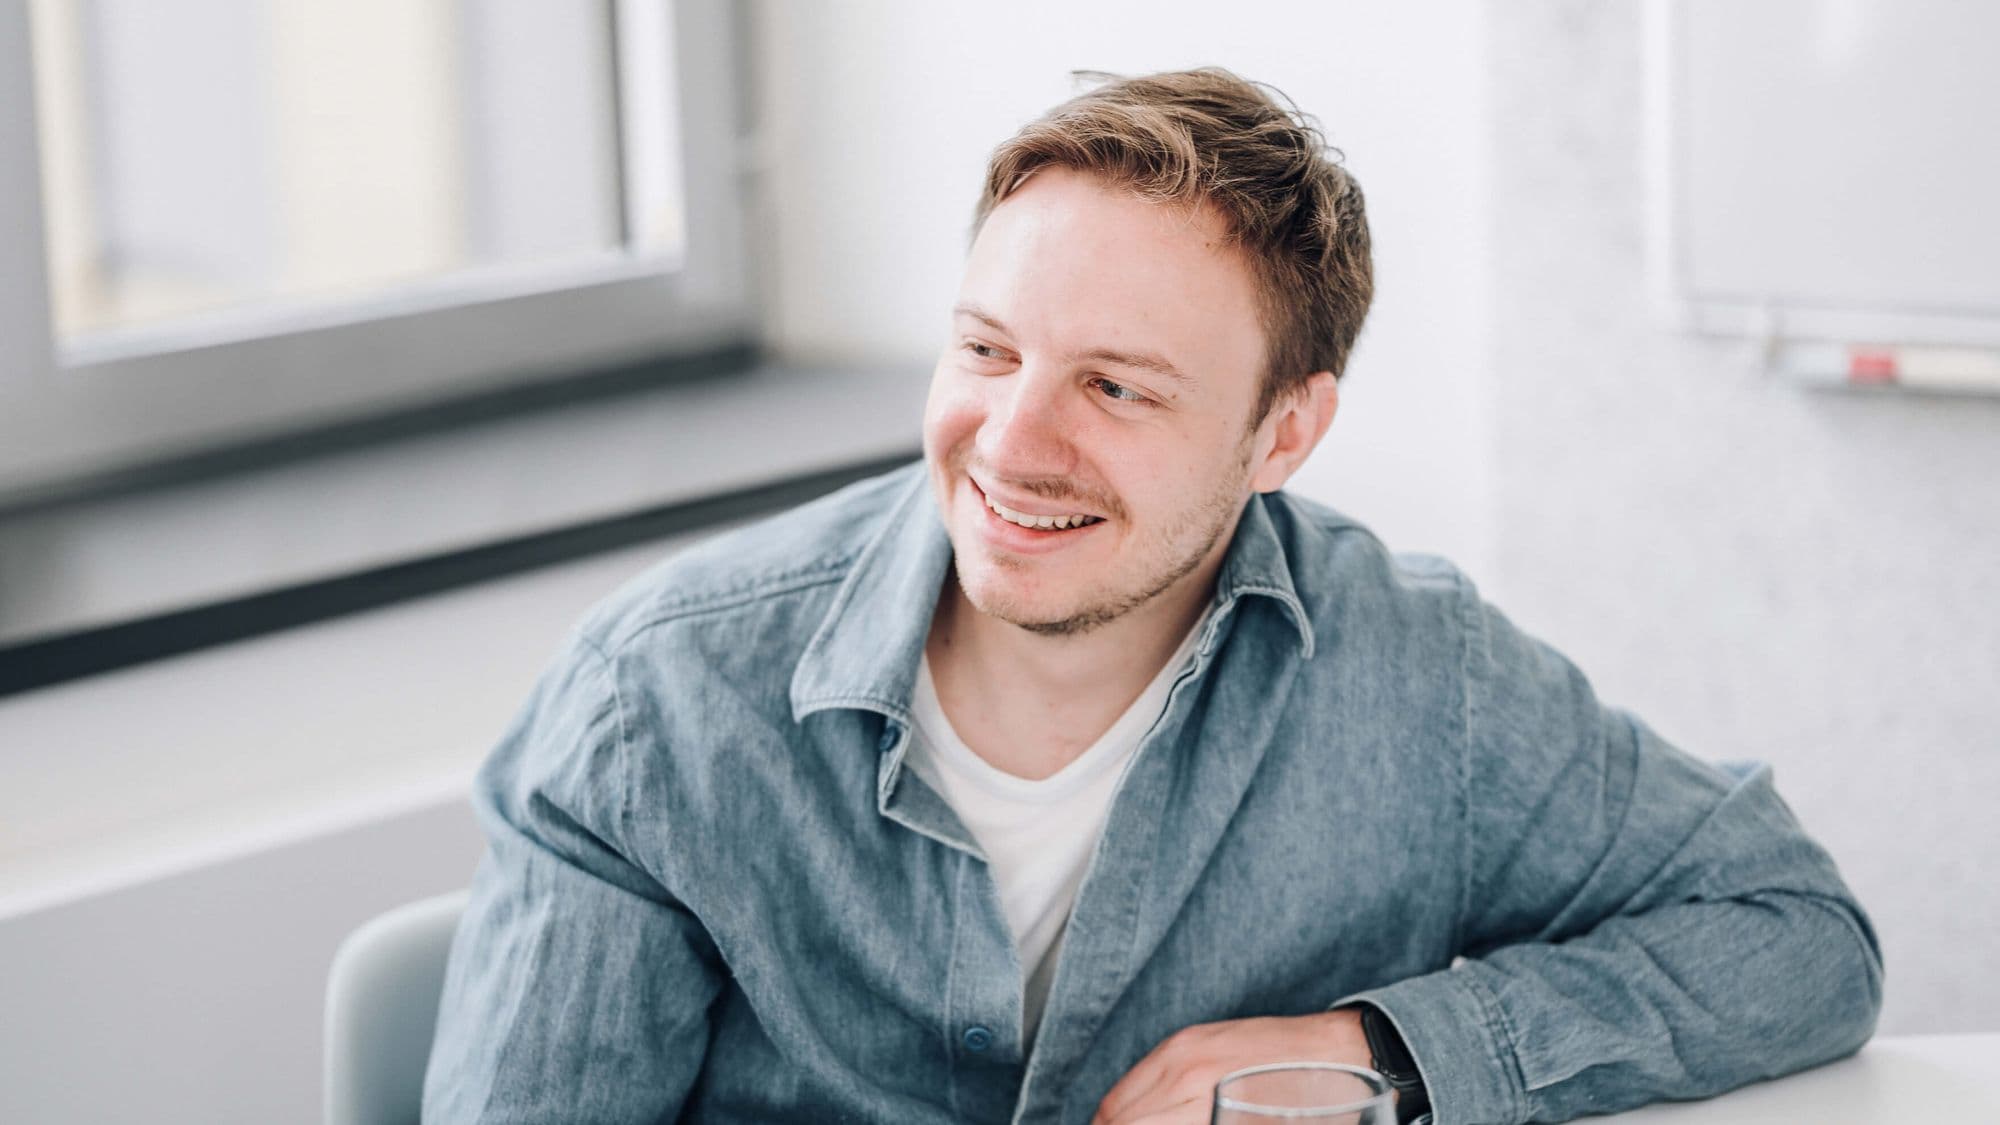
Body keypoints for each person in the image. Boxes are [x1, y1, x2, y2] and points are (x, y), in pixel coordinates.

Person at [423, 69, 1881, 1125]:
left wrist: (1380, 1051)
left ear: (1284, 434)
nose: (1010, 444)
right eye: (988, 352)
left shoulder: (1416, 675)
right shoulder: (656, 704)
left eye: (1114, 386)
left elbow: (1796, 932)